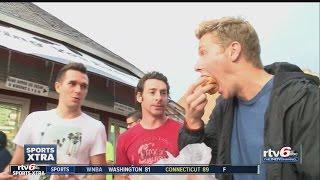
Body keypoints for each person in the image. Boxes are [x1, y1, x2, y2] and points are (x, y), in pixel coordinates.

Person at [178, 16, 319, 180]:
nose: (197, 66)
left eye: (203, 52)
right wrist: (193, 124)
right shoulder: (224, 108)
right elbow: (203, 168)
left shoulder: (304, 101)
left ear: (233, 51)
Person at [0, 62, 107, 180]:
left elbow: (100, 172)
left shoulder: (96, 127)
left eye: (83, 86)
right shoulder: (34, 119)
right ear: (58, 87)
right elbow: (16, 164)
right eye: (72, 83)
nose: (78, 90)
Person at [116, 71, 182, 166]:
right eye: (152, 92)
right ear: (139, 97)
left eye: (163, 93)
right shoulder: (124, 139)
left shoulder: (182, 132)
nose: (159, 97)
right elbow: (121, 177)